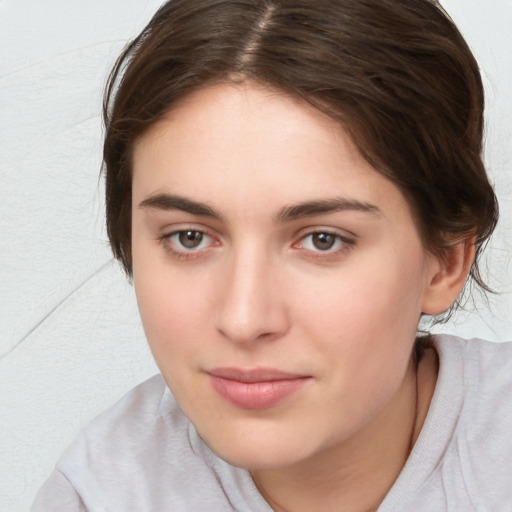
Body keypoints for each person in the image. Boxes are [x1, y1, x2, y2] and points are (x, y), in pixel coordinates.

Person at [31, 0, 511, 510]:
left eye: (322, 239)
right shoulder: (98, 494)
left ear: (447, 259)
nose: (243, 319)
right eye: (189, 237)